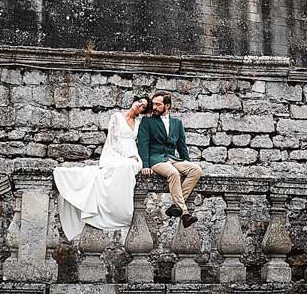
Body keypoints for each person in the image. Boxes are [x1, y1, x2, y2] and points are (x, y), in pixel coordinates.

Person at [53, 95, 149, 240]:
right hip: (114, 152)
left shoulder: (139, 122)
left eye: (143, 106)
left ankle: (119, 210)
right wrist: (124, 156)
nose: (139, 105)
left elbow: (139, 141)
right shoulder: (117, 117)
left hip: (132, 152)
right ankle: (109, 209)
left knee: (131, 166)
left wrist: (134, 156)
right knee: (122, 166)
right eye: (139, 102)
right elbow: (113, 139)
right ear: (134, 101)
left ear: (143, 111)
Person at [137, 90, 203, 227]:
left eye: (158, 104)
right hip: (156, 159)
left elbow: (182, 146)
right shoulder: (147, 121)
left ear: (167, 106)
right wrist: (145, 165)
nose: (154, 107)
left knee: (196, 170)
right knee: (173, 173)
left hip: (172, 158)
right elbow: (143, 144)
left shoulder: (177, 123)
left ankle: (175, 205)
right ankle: (184, 212)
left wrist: (186, 162)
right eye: (153, 104)